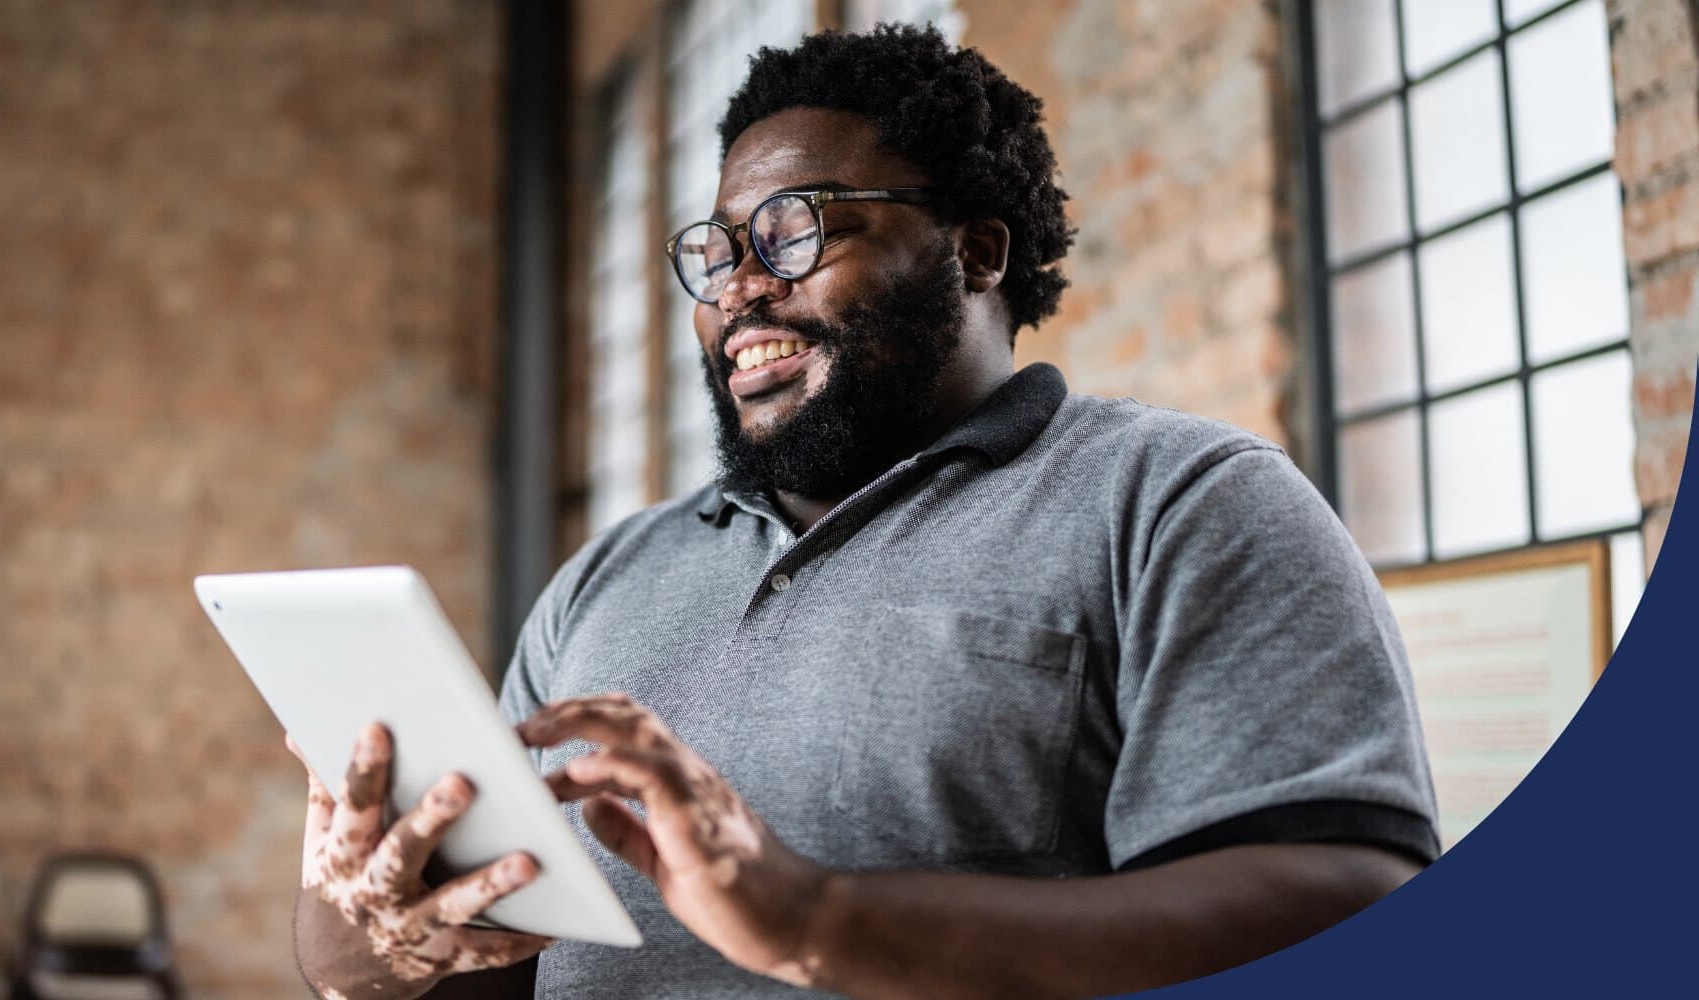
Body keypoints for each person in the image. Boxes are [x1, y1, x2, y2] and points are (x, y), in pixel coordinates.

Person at [291, 24, 1438, 1000]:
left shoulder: (1175, 503)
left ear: (975, 250)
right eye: (717, 250)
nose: (739, 284)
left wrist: (815, 915)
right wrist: (370, 939)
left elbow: (1347, 898)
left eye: (796, 228)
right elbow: (481, 960)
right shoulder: (604, 577)